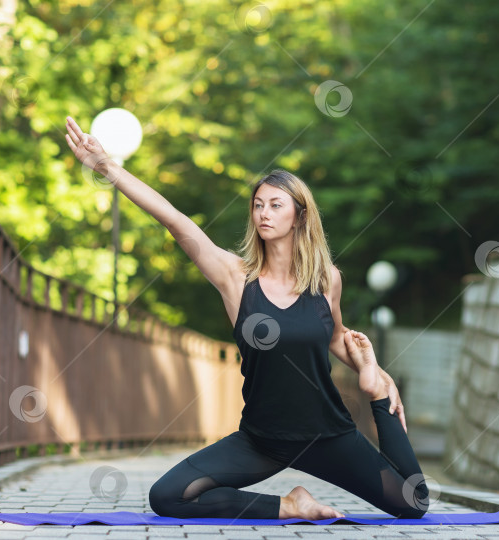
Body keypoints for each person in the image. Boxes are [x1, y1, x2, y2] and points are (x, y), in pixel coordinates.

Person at [64, 116, 430, 520]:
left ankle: (377, 396)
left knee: (412, 503)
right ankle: (291, 505)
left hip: (327, 434)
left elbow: (336, 334)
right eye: (258, 205)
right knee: (167, 497)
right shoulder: (235, 279)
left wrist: (375, 373)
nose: (263, 214)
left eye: (275, 205)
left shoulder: (327, 280)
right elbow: (174, 220)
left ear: (300, 216)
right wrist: (107, 168)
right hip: (262, 440)